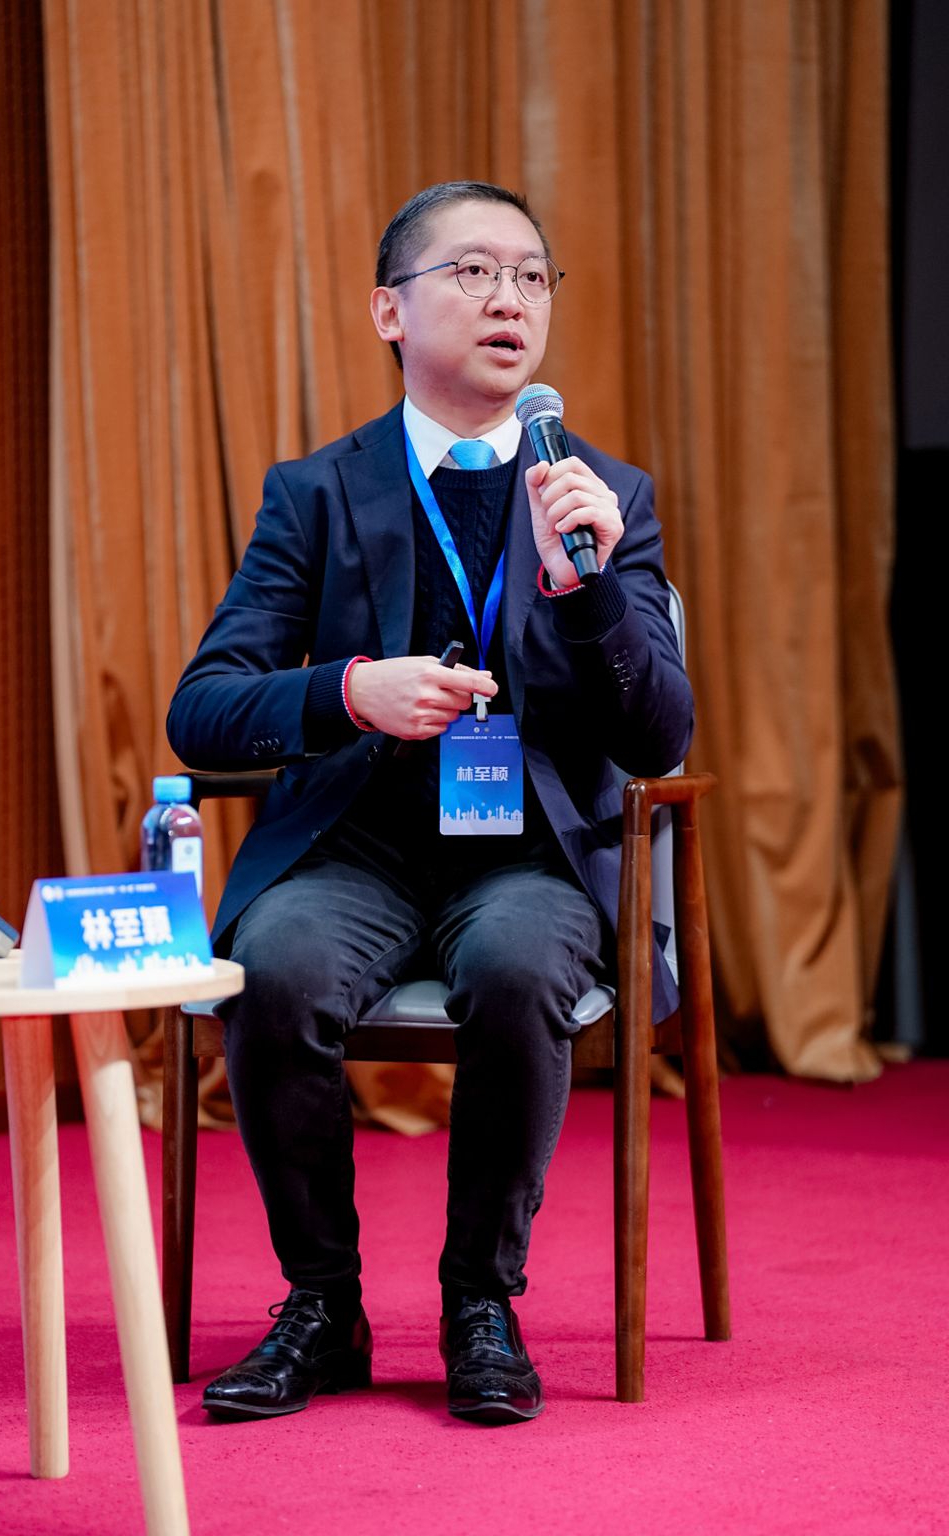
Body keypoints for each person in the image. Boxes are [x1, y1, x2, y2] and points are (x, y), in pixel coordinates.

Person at [167, 180, 693, 1426]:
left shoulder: (602, 494)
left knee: (515, 967)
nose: (510, 298)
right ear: (388, 312)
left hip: (528, 858)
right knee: (278, 969)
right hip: (352, 847)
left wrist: (588, 591)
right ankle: (322, 1304)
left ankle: (479, 1302)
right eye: (472, 272)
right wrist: (349, 690)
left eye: (531, 275)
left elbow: (659, 735)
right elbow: (204, 707)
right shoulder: (315, 492)